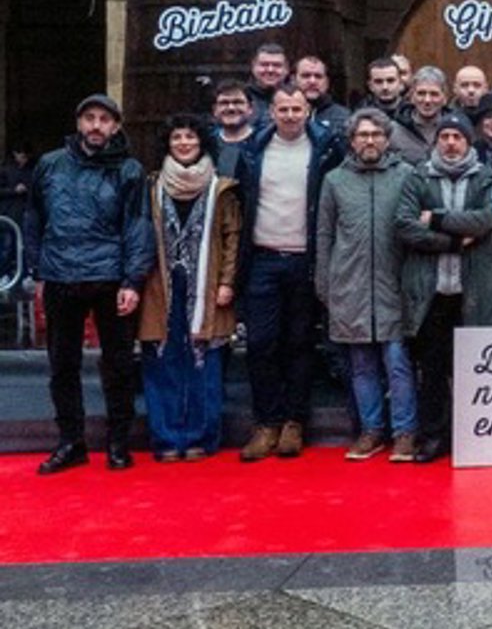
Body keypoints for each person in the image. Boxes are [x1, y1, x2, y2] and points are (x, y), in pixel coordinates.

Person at [24, 95, 151, 474]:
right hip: (60, 275)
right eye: (90, 118)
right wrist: (38, 270)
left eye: (104, 119)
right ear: (79, 123)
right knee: (62, 365)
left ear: (116, 126)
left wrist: (133, 280)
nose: (96, 126)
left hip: (110, 278)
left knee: (118, 365)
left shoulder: (129, 170)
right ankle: (70, 441)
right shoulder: (50, 165)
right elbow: (34, 219)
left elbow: (138, 226)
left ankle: (118, 442)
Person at [235, 83, 342, 462]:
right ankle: (266, 423)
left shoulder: (327, 148)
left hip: (305, 260)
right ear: (271, 112)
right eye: (284, 109)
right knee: (260, 344)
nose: (291, 116)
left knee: (299, 344)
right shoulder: (253, 149)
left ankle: (295, 422)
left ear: (307, 111)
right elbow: (241, 202)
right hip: (262, 259)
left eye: (297, 109)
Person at [397, 111, 492, 464]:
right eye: (445, 137)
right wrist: (455, 242)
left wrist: (437, 218)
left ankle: (473, 436)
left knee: (472, 371)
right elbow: (406, 226)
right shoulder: (418, 177)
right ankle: (433, 436)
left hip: (472, 291)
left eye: (457, 137)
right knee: (432, 370)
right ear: (436, 141)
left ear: (468, 142)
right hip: (431, 292)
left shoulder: (485, 176)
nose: (451, 143)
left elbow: (488, 218)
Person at [136, 115, 241, 462]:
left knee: (204, 362)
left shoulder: (221, 188)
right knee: (162, 359)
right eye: (177, 137)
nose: (183, 143)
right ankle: (166, 437)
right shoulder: (151, 186)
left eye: (190, 137)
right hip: (159, 286)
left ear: (202, 143)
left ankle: (200, 436)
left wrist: (227, 281)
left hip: (207, 286)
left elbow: (232, 238)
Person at [315, 109, 417, 462]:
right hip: (350, 286)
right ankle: (371, 430)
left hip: (394, 286)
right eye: (363, 135)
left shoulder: (406, 176)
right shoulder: (334, 180)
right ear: (352, 141)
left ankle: (405, 432)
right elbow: (325, 234)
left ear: (387, 140)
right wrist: (325, 282)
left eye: (376, 134)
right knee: (361, 366)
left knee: (398, 364)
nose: (370, 141)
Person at [390, 65, 448, 164]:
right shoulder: (393, 131)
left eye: (434, 94)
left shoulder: (456, 130)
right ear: (412, 96)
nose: (427, 100)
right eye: (421, 93)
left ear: (444, 98)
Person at [295, 56, 350, 140]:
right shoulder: (281, 115)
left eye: (318, 76)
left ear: (327, 82)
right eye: (306, 76)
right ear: (294, 80)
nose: (312, 81)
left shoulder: (344, 118)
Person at [210, 81, 256, 176]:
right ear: (215, 110)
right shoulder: (206, 144)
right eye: (224, 103)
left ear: (250, 108)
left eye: (238, 102)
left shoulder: (263, 141)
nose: (231, 108)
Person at [246, 44, 290, 125]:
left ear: (286, 69)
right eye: (264, 65)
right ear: (253, 67)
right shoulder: (242, 98)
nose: (270, 70)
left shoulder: (297, 98)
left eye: (277, 65)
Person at [364, 55, 408, 121]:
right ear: (370, 86)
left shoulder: (413, 114)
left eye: (390, 81)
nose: (385, 87)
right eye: (378, 82)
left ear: (400, 83)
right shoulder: (360, 116)